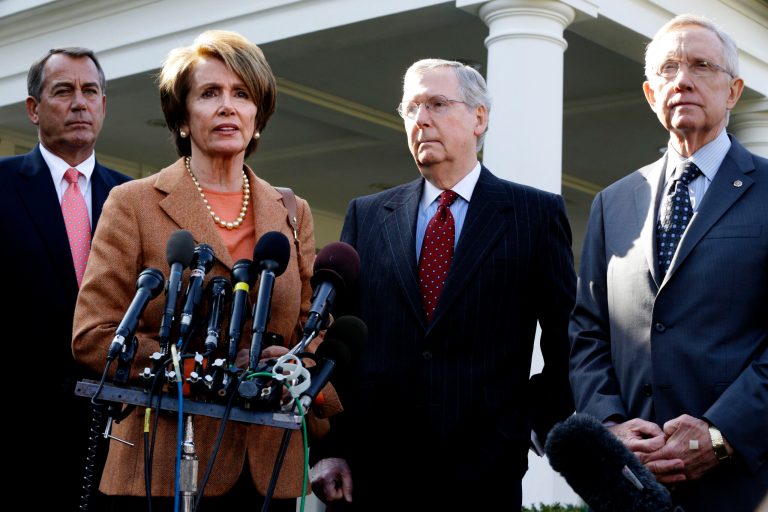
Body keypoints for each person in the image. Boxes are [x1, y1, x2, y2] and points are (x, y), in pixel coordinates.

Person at [72, 30, 335, 510]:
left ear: (258, 114)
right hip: (161, 466)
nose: (227, 107)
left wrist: (290, 361)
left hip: (266, 470)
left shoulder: (292, 211)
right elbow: (94, 335)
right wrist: (207, 370)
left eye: (242, 94)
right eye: (210, 93)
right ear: (182, 115)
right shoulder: (133, 203)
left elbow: (310, 331)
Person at [310, 58, 576, 510]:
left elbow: (566, 335)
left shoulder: (534, 215)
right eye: (411, 108)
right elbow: (338, 344)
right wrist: (329, 446)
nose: (421, 119)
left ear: (479, 118)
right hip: (373, 472)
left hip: (484, 471)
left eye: (436, 104)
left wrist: (532, 420)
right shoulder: (367, 215)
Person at [569, 14, 767, 511]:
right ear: (651, 94)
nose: (682, 80)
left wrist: (722, 434)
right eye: (668, 69)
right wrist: (610, 426)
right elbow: (588, 331)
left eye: (701, 66)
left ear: (734, 91)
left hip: (745, 483)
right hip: (632, 485)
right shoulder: (613, 202)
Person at [0, 47, 130, 508]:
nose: (79, 103)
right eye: (63, 91)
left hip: (112, 433)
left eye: (90, 91)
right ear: (33, 109)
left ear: (103, 106)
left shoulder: (133, 199)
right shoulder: (2, 184)